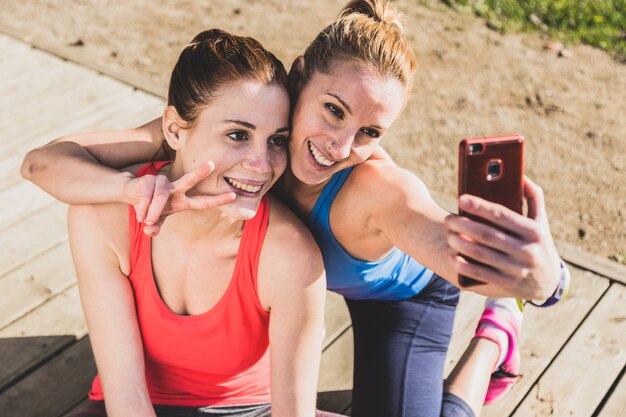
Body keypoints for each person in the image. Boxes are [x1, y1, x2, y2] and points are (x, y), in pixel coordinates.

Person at [22, 2, 570, 417]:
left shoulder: (377, 191)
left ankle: (493, 342)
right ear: (302, 73)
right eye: (333, 111)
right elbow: (43, 163)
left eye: (369, 132)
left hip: (408, 295)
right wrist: (130, 191)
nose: (338, 146)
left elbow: (458, 256)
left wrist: (546, 280)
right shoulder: (250, 128)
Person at [39, 28, 348, 417]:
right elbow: (127, 400)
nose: (261, 164)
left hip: (250, 409)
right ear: (173, 130)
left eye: (275, 140)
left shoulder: (291, 256)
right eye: (238, 134)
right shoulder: (104, 217)